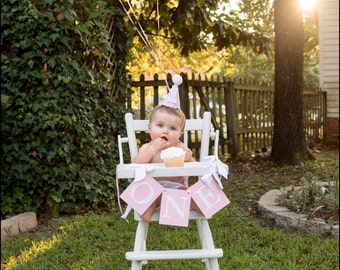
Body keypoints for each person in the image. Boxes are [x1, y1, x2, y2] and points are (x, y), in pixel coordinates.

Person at [133, 104, 196, 222]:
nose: (165, 131)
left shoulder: (180, 148)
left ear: (179, 134)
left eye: (172, 128)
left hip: (176, 190)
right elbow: (137, 162)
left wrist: (189, 159)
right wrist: (154, 149)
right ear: (150, 128)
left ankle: (184, 202)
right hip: (153, 192)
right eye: (160, 125)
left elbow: (195, 168)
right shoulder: (148, 147)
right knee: (145, 215)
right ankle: (156, 204)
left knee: (191, 195)